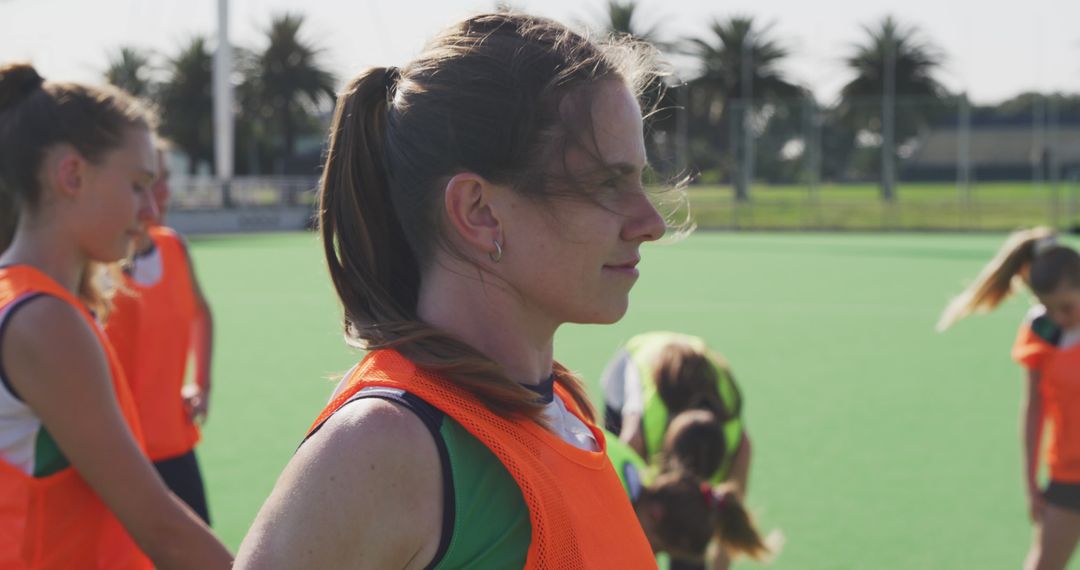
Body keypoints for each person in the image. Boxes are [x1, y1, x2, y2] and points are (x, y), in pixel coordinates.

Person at [236, 12, 667, 568]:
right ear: (479, 211)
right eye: (608, 183)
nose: (651, 221)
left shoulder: (561, 406)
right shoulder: (387, 445)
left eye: (640, 179)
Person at [0, 63, 232, 569]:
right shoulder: (44, 319)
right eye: (137, 184)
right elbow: (161, 529)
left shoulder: (24, 299)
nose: (151, 209)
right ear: (73, 175)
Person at [938, 227, 1080, 570]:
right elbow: (1034, 410)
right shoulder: (1043, 333)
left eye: (1067, 307)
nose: (1060, 318)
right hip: (1068, 472)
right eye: (1049, 308)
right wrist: (1030, 481)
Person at [105, 144, 214, 523]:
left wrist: (201, 383)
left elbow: (201, 313)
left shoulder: (173, 247)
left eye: (164, 180)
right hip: (118, 458)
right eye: (148, 182)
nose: (163, 193)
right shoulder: (96, 267)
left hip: (173, 443)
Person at [606, 411, 774, 569]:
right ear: (655, 514)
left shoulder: (635, 465)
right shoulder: (611, 514)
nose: (653, 557)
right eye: (658, 549)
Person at [602, 331, 752, 493]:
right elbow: (625, 457)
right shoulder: (642, 430)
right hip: (635, 358)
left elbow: (735, 492)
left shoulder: (733, 434)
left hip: (696, 356)